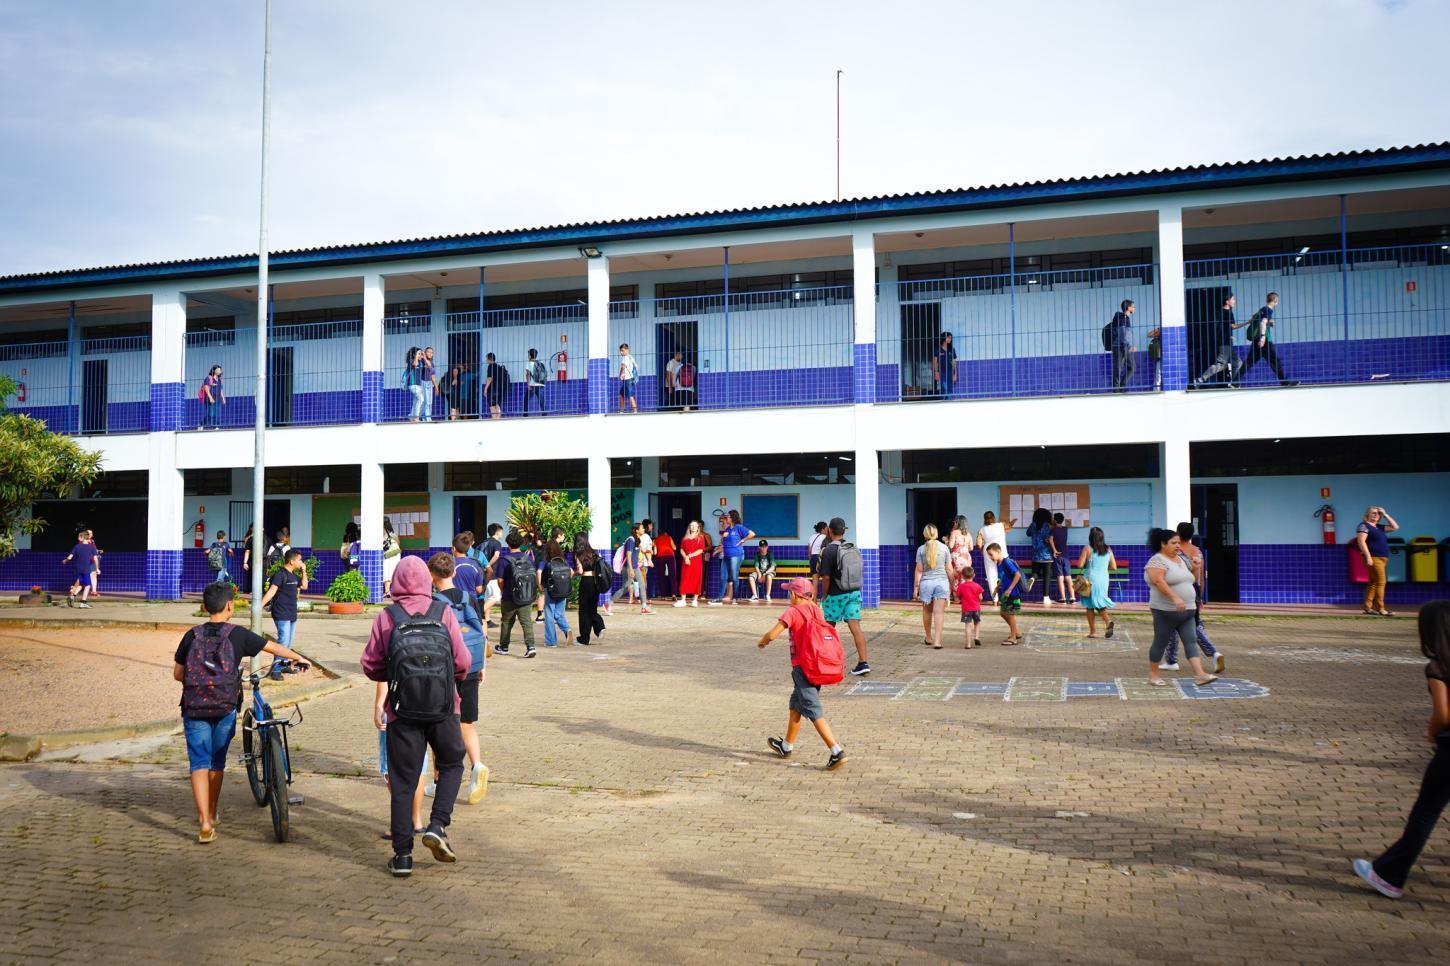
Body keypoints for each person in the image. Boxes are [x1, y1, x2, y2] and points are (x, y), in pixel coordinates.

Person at [174, 583, 310, 844]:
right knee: (216, 762)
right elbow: (274, 648)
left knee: (198, 763)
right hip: (224, 706)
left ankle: (204, 823)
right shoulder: (237, 634)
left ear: (204, 607)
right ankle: (212, 811)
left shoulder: (191, 635)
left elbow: (178, 674)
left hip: (194, 707)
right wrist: (298, 658)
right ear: (229, 606)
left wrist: (201, 683)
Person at [361, 556, 470, 877]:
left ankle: (403, 856)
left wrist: (392, 675)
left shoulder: (387, 616)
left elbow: (370, 665)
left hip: (402, 711)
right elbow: (462, 662)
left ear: (395, 581)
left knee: (403, 781)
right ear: (426, 579)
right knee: (451, 764)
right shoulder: (443, 612)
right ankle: (437, 825)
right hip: (444, 707)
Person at [1352, 601, 1450, 899]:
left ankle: (1389, 875)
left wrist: (1431, 731)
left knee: (1425, 812)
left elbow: (1443, 715)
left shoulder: (1438, 668)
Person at [759, 577, 847, 771]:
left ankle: (836, 751)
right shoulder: (816, 609)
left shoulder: (792, 611)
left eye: (789, 592)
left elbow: (773, 634)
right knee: (796, 706)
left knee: (813, 709)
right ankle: (786, 746)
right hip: (817, 666)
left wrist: (763, 641)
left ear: (794, 594)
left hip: (803, 668)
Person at [427, 553, 489, 804]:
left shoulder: (433, 603)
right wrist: (482, 664)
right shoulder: (469, 598)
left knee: (439, 725)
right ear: (454, 572)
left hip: (446, 670)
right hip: (472, 664)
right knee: (466, 722)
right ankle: (477, 765)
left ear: (431, 576)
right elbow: (482, 629)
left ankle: (438, 781)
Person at [1144, 528, 1218, 687]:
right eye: (1173, 543)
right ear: (1163, 544)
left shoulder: (1181, 559)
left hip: (1188, 611)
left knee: (1191, 641)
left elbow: (1192, 580)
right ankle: (1153, 675)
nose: (1178, 545)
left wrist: (1196, 567)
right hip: (1165, 611)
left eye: (1178, 542)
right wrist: (1175, 597)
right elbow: (1158, 581)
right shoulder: (1157, 561)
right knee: (1160, 643)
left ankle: (1200, 674)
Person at [1159, 521, 1224, 674]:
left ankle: (1174, 660)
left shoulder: (1175, 551)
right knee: (1186, 624)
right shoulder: (1197, 552)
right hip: (1193, 591)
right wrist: (1200, 598)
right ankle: (1173, 659)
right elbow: (1200, 578)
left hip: (1178, 591)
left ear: (1178, 533)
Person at [819, 517, 870, 675]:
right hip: (853, 592)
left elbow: (826, 577)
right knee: (856, 627)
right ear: (844, 531)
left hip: (835, 595)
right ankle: (863, 663)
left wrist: (824, 595)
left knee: (828, 629)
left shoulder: (828, 551)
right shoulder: (852, 547)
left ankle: (827, 663)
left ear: (829, 531)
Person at [261, 549, 309, 680]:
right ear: (292, 561)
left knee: (288, 643)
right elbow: (271, 592)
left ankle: (284, 665)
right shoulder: (280, 574)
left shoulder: (293, 575)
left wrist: (304, 571)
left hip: (291, 613)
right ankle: (275, 670)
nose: (301, 562)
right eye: (299, 560)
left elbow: (304, 586)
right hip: (281, 613)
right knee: (283, 642)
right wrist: (259, 606)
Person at [492, 530, 537, 659]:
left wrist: (503, 590)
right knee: (526, 622)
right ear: (521, 543)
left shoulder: (504, 560)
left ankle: (504, 647)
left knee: (506, 622)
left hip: (509, 596)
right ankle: (530, 647)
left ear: (508, 544)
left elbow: (500, 580)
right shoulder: (528, 558)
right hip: (526, 596)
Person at [1240, 292, 1299, 387]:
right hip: (1265, 340)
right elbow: (1263, 322)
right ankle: (1285, 382)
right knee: (1275, 361)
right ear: (1275, 300)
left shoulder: (1262, 309)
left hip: (1257, 340)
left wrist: (1269, 322)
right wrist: (1263, 336)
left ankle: (1234, 382)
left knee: (1249, 362)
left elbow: (1258, 320)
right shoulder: (1269, 310)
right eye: (1278, 301)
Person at [1192, 293, 1247, 388]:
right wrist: (1248, 322)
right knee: (1222, 364)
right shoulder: (1228, 313)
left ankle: (1234, 383)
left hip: (1223, 342)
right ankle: (1200, 379)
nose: (1234, 301)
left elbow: (1221, 328)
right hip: (1225, 343)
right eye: (1233, 299)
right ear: (1227, 301)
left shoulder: (1219, 312)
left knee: (1236, 363)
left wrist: (1229, 335)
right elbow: (1233, 326)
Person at [1357, 506, 1400, 617]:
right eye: (1373, 513)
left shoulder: (1379, 527)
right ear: (1367, 514)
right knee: (1381, 582)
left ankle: (1368, 608)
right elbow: (1361, 541)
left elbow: (1395, 527)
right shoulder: (1363, 525)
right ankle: (1381, 609)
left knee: (1373, 583)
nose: (1376, 515)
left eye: (1378, 513)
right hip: (1374, 558)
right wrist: (1368, 557)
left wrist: (1385, 514)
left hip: (1383, 558)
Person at [914, 523, 951, 649]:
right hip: (942, 583)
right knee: (939, 612)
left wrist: (916, 588)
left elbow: (919, 570)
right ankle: (937, 641)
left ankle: (929, 637)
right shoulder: (944, 548)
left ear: (924, 535)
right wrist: (953, 585)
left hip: (926, 584)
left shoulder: (920, 549)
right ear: (937, 533)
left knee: (927, 611)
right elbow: (949, 569)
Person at [1076, 527, 1118, 638]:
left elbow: (1080, 565)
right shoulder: (1108, 549)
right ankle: (1107, 622)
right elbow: (1114, 567)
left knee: (1090, 606)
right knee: (1099, 602)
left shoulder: (1087, 548)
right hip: (1103, 580)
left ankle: (1094, 631)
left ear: (1090, 537)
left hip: (1090, 581)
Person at [709, 510, 754, 605]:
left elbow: (752, 534)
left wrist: (743, 540)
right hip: (726, 555)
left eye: (728, 517)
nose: (726, 518)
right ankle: (719, 598)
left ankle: (735, 598)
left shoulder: (739, 527)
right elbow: (726, 543)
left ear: (733, 517)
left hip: (736, 555)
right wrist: (723, 539)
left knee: (734, 577)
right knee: (723, 577)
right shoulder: (728, 529)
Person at [573, 533, 607, 645]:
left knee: (583, 610)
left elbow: (580, 571)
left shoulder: (578, 554)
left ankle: (584, 638)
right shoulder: (594, 552)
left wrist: (573, 573)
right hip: (595, 582)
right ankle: (599, 627)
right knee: (592, 608)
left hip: (586, 582)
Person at [985, 543, 1023, 645]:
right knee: (1003, 613)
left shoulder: (1007, 562)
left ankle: (1013, 637)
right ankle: (1016, 632)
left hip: (1012, 593)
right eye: (988, 555)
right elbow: (1003, 578)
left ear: (998, 552)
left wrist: (1010, 589)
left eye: (991, 554)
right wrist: (996, 589)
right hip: (1005, 592)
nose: (990, 557)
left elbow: (1017, 575)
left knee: (1010, 614)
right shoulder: (999, 564)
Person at [540, 539, 573, 646]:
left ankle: (551, 642)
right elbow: (571, 573)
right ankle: (567, 629)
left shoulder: (547, 563)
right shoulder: (564, 562)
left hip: (551, 591)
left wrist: (541, 587)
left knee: (549, 615)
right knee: (559, 614)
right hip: (563, 590)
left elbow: (541, 576)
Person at [976, 511, 1011, 598]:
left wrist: (982, 551)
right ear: (994, 518)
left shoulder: (982, 530)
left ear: (984, 519)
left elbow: (978, 544)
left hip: (988, 552)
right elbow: (1009, 526)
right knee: (1006, 573)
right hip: (1001, 552)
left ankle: (995, 599)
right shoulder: (1001, 525)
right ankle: (1007, 596)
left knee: (991, 575)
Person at [1025, 507, 1054, 606]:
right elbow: (1048, 539)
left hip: (1035, 555)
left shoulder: (1033, 525)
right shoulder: (1047, 525)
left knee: (1036, 573)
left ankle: (1032, 579)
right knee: (1046, 577)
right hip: (1046, 555)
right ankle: (1046, 598)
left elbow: (1028, 533)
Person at [477, 523, 504, 626]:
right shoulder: (497, 543)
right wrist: (487, 565)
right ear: (497, 532)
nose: (502, 534)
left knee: (487, 597)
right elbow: (496, 556)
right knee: (495, 596)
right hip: (492, 574)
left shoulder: (484, 542)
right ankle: (478, 613)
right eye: (501, 532)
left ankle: (487, 620)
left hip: (483, 574)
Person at [1108, 299, 1136, 392]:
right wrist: (1129, 346)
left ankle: (1122, 386)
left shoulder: (1125, 318)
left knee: (1131, 367)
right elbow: (1123, 333)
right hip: (1120, 346)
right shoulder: (1123, 318)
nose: (1134, 308)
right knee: (1118, 368)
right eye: (1133, 306)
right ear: (1128, 308)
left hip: (1124, 346)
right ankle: (1116, 390)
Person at [63, 529, 96, 608]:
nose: (78, 538)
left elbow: (70, 557)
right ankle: (83, 603)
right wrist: (97, 568)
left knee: (81, 584)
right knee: (87, 586)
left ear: (83, 537)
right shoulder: (91, 547)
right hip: (86, 568)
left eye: (79, 537)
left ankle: (72, 597)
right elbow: (95, 558)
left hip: (78, 568)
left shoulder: (77, 546)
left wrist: (65, 560)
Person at [677, 519, 706, 607]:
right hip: (686, 562)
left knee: (696, 579)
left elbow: (701, 550)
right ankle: (683, 600)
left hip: (696, 562)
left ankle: (695, 600)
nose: (693, 527)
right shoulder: (685, 538)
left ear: (698, 528)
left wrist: (690, 556)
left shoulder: (700, 538)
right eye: (691, 526)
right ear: (689, 527)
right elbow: (681, 549)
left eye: (695, 526)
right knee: (685, 579)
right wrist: (686, 557)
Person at [1049, 512, 1075, 605]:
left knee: (1060, 577)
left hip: (1058, 556)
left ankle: (1063, 598)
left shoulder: (1053, 529)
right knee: (1068, 577)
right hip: (1066, 555)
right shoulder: (1065, 529)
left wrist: (1054, 550)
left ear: (1055, 520)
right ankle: (1072, 597)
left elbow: (1050, 540)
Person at [946, 515, 973, 602]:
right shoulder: (968, 534)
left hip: (957, 557)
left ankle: (956, 597)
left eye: (955, 522)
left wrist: (946, 541)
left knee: (955, 577)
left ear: (957, 523)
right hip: (967, 558)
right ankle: (965, 596)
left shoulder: (954, 532)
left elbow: (951, 546)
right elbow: (971, 548)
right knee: (964, 577)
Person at [652, 525, 678, 603]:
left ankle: (663, 595)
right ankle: (674, 594)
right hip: (670, 556)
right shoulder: (669, 537)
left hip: (660, 557)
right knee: (673, 575)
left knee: (661, 576)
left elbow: (655, 552)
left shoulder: (655, 540)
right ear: (665, 533)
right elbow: (674, 548)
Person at [636, 520, 655, 615]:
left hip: (640, 563)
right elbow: (644, 550)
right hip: (642, 563)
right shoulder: (645, 536)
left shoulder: (638, 537)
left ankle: (643, 605)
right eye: (650, 525)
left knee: (640, 584)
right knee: (643, 585)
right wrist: (650, 559)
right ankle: (644, 606)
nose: (652, 527)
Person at [807, 520, 830, 599]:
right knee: (825, 581)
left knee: (815, 584)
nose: (827, 530)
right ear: (823, 529)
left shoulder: (811, 537)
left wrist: (811, 562)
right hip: (822, 558)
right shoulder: (825, 537)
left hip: (813, 559)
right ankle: (824, 601)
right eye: (826, 529)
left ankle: (814, 602)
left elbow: (809, 552)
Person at [403, 347, 426, 422]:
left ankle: (411, 416)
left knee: (416, 401)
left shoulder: (421, 362)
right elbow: (415, 364)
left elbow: (428, 366)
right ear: (414, 355)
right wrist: (416, 357)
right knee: (421, 399)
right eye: (419, 354)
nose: (420, 355)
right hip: (412, 384)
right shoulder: (411, 361)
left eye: (421, 354)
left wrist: (424, 356)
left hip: (419, 385)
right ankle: (416, 417)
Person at [933, 331, 957, 398]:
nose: (950, 339)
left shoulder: (952, 350)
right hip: (942, 372)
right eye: (948, 337)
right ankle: (943, 401)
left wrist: (955, 374)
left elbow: (954, 362)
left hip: (950, 372)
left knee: (950, 389)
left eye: (951, 338)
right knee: (944, 388)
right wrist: (936, 372)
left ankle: (949, 401)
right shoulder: (938, 350)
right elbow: (935, 362)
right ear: (944, 338)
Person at [483, 352, 507, 420]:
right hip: (499, 390)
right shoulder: (498, 367)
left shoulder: (490, 366)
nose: (486, 360)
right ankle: (497, 420)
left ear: (489, 359)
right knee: (497, 406)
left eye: (486, 359)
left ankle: (494, 420)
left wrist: (485, 389)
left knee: (492, 407)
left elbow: (490, 379)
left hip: (492, 390)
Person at [200, 365, 225, 430]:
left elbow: (220, 390)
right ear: (214, 370)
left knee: (217, 414)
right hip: (209, 400)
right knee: (210, 414)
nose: (220, 371)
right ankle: (201, 425)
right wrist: (210, 397)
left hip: (218, 399)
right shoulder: (209, 378)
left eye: (220, 370)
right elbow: (206, 388)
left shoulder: (219, 380)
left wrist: (223, 398)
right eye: (218, 370)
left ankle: (216, 427)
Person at [382, 516, 402, 597]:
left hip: (388, 554)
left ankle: (387, 591)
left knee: (386, 571)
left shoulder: (383, 533)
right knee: (392, 571)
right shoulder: (393, 533)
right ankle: (389, 591)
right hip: (395, 553)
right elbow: (398, 543)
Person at [524, 348, 547, 416]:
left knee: (526, 400)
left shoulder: (529, 363)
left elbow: (528, 374)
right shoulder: (540, 363)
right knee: (541, 401)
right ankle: (544, 415)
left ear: (530, 356)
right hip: (541, 384)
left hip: (533, 385)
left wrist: (528, 385)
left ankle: (525, 415)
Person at [617, 342, 639, 414]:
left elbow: (623, 367)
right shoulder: (631, 357)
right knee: (621, 395)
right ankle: (621, 411)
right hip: (629, 379)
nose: (621, 352)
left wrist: (621, 374)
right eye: (620, 351)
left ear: (627, 350)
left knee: (630, 396)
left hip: (627, 380)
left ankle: (635, 412)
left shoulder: (625, 357)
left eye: (622, 350)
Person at [421, 347, 439, 421]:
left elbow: (433, 376)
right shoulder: (422, 361)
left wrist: (436, 387)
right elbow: (428, 365)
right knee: (425, 401)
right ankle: (426, 417)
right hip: (423, 382)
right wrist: (424, 357)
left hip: (429, 383)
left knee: (429, 401)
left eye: (432, 352)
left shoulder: (432, 363)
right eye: (428, 352)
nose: (430, 353)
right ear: (425, 353)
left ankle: (427, 417)